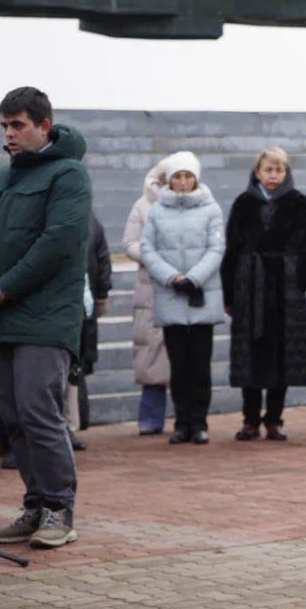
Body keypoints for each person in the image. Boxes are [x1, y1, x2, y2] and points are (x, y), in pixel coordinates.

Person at [0, 87, 90, 550]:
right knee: (13, 417)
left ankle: (59, 508)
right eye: (4, 125)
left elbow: (58, 242)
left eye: (17, 125)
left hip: (45, 317)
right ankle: (35, 505)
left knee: (39, 412)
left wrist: (3, 288)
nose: (9, 134)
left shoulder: (69, 174)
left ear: (44, 125)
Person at [222, 147, 306, 442]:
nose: (273, 175)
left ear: (286, 173)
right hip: (249, 288)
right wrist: (230, 294)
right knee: (250, 354)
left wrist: (300, 280)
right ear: (257, 172)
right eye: (268, 170)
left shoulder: (299, 203)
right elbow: (232, 249)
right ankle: (250, 419)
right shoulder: (243, 203)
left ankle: (274, 418)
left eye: (278, 170)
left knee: (282, 354)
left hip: (285, 291)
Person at [140, 152, 226, 445]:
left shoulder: (211, 209)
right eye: (177, 176)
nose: (183, 181)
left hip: (201, 295)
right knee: (178, 365)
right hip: (171, 295)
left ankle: (199, 422)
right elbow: (148, 249)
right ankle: (181, 422)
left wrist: (194, 278)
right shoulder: (156, 211)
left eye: (188, 176)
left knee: (200, 365)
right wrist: (173, 277)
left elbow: (216, 248)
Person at [123, 158, 173, 435]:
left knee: (185, 352)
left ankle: (190, 418)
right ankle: (151, 418)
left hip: (183, 284)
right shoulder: (142, 205)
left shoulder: (197, 201)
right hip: (151, 286)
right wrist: (153, 257)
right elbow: (129, 243)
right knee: (152, 351)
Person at [66, 211, 112, 450]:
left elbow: (101, 257)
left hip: (82, 307)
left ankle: (71, 426)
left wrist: (101, 294)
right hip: (60, 308)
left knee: (74, 367)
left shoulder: (90, 220)